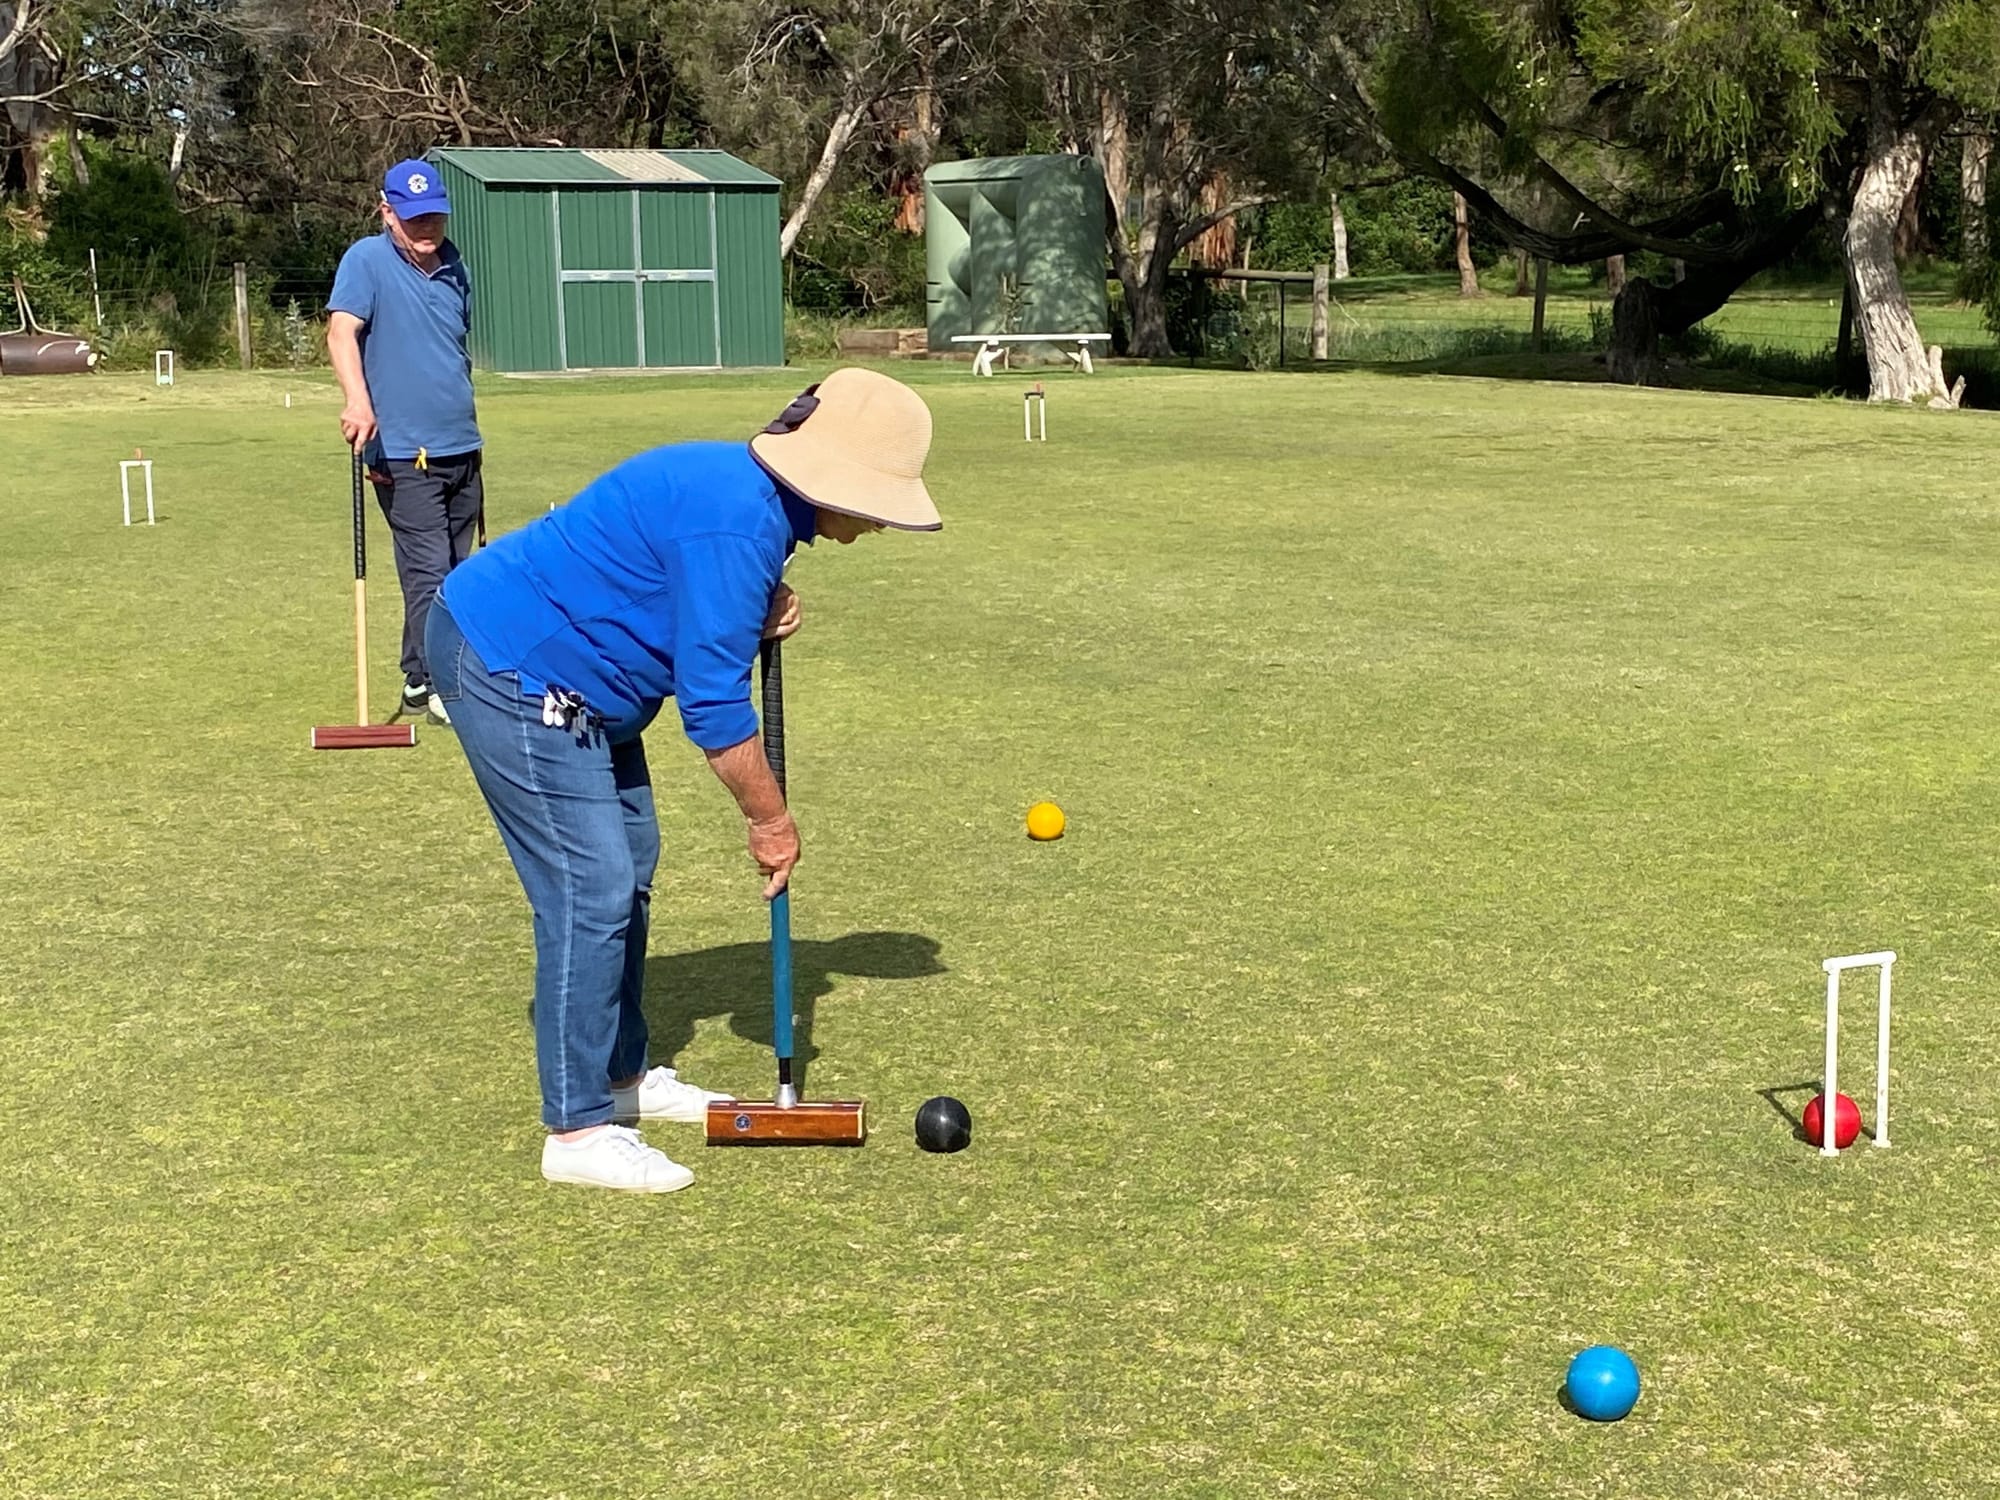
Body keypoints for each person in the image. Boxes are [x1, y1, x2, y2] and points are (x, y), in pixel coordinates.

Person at [427, 368, 941, 1192]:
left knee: (630, 862)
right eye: (879, 498)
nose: (881, 521)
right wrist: (770, 820)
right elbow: (712, 710)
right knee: (589, 887)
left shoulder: (754, 511)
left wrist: (747, 608)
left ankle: (623, 1079)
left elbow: (691, 600)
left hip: (585, 687)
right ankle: (576, 1128)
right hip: (513, 663)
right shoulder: (737, 526)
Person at [328, 158, 485, 726]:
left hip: (461, 443)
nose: (427, 229)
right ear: (387, 212)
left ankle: (420, 677)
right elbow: (341, 331)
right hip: (402, 449)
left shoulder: (455, 264)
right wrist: (358, 400)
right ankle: (442, 682)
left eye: (435, 217)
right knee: (430, 571)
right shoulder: (365, 260)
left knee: (459, 569)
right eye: (414, 219)